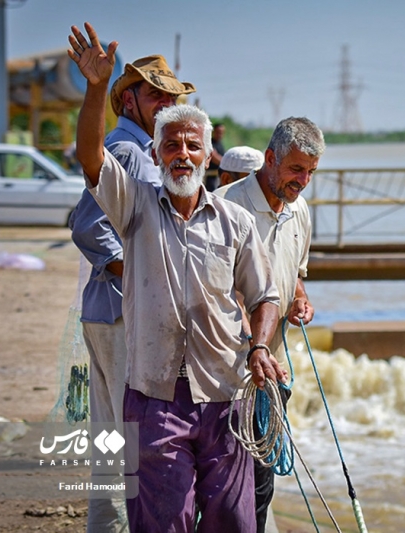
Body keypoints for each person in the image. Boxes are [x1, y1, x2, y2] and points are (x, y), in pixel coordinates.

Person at [68, 22, 286, 532]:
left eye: (192, 146)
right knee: (164, 521)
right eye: (171, 145)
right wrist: (97, 89)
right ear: (155, 153)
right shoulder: (136, 206)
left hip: (225, 395)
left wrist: (259, 348)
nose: (181, 155)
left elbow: (265, 296)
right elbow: (90, 157)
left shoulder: (236, 222)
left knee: (233, 519)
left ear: (207, 154)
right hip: (153, 396)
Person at [68, 53, 195, 533]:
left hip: (108, 311)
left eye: (172, 96)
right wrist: (141, 273)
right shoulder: (128, 151)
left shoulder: (138, 149)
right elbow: (87, 227)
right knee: (134, 449)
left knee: (111, 445)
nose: (166, 103)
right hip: (122, 314)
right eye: (155, 93)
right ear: (128, 100)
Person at [214, 116, 325, 533]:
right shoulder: (224, 206)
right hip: (224, 375)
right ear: (271, 158)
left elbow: (295, 274)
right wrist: (252, 345)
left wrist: (300, 301)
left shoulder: (300, 212)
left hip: (271, 371)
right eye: (297, 169)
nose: (303, 181)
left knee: (261, 487)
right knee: (222, 486)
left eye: (311, 172)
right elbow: (218, 293)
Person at [204, 122, 226, 191]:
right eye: (218, 132)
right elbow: (214, 157)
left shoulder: (220, 144)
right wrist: (227, 163)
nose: (220, 135)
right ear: (214, 132)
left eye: (221, 133)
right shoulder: (210, 143)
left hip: (218, 176)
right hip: (210, 177)